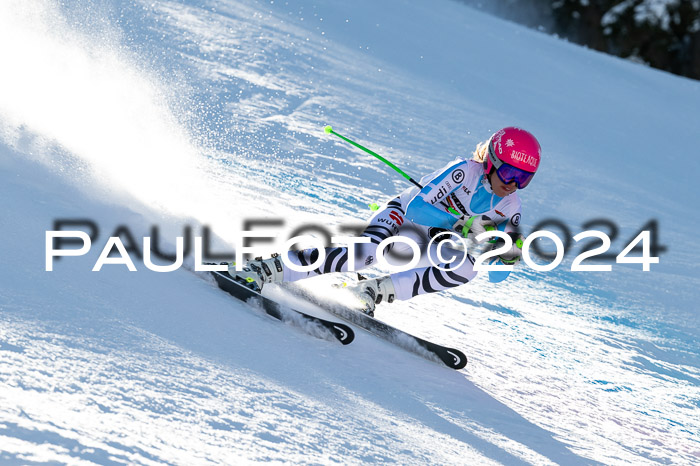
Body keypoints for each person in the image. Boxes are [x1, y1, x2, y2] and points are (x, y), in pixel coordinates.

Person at [230, 127, 542, 316]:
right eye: (510, 173)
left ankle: (370, 291)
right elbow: (419, 209)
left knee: (467, 268)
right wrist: (464, 225)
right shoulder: (464, 172)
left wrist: (506, 253)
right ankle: (266, 268)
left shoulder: (510, 206)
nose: (513, 183)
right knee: (365, 254)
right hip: (402, 218)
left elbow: (498, 276)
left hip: (432, 240)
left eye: (524, 178)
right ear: (492, 162)